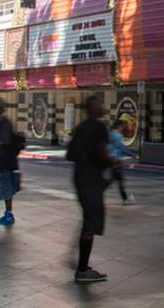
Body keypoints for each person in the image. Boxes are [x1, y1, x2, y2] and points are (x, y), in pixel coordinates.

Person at [67, 95, 117, 283]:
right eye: (99, 104)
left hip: (80, 179)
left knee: (89, 220)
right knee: (90, 223)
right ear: (92, 108)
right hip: (91, 181)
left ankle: (82, 264)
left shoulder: (81, 127)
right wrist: (113, 162)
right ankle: (82, 270)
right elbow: (103, 155)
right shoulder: (98, 127)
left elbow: (70, 154)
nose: (102, 106)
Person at [108, 120, 135, 204]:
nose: (124, 128)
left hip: (110, 160)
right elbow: (121, 148)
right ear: (119, 126)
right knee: (116, 180)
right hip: (116, 160)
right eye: (123, 126)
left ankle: (125, 198)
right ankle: (125, 198)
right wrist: (132, 154)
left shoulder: (110, 134)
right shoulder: (118, 136)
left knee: (117, 180)